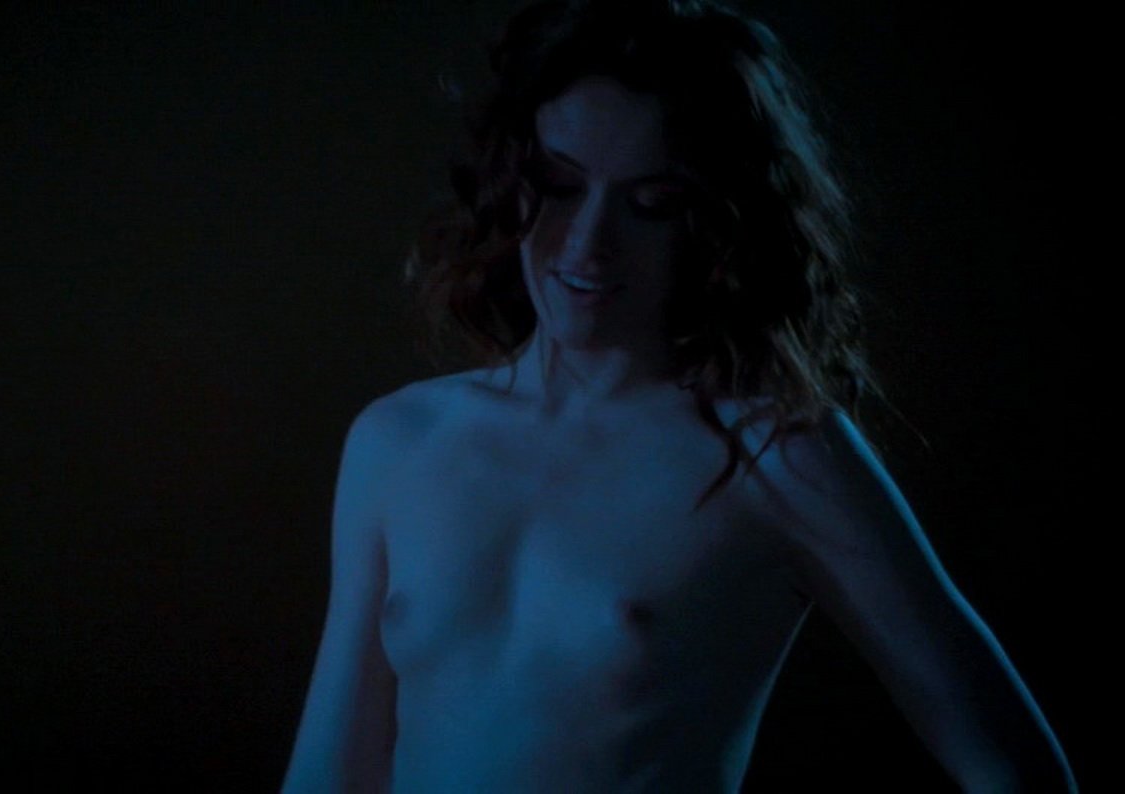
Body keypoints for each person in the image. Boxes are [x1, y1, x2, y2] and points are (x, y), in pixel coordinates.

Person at [282, 1, 1076, 791]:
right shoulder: (399, 438)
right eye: (560, 186)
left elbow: (1017, 770)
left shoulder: (774, 451)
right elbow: (329, 772)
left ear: (715, 219)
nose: (590, 242)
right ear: (510, 180)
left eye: (651, 203)